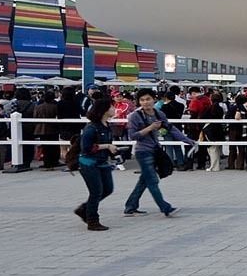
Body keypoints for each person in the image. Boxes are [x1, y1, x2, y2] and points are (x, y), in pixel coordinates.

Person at [123, 88, 194, 218]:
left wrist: (187, 140)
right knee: (152, 180)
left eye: (148, 99)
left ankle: (130, 207)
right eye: (142, 100)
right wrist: (150, 128)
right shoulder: (135, 116)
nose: (145, 102)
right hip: (142, 152)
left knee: (144, 180)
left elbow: (171, 129)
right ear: (139, 102)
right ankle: (165, 207)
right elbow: (132, 136)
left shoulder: (159, 114)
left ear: (154, 99)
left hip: (155, 150)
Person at [75, 98, 119, 231]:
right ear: (104, 110)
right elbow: (86, 148)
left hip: (102, 162)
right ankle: (92, 220)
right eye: (111, 106)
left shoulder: (107, 126)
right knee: (96, 192)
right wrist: (106, 146)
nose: (113, 109)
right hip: (89, 163)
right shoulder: (91, 127)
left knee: (107, 189)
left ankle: (85, 209)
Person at [33, 91, 61, 170]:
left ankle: (46, 162)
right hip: (53, 128)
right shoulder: (55, 106)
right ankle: (54, 161)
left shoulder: (38, 107)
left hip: (41, 128)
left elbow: (35, 116)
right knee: (54, 146)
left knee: (45, 147)